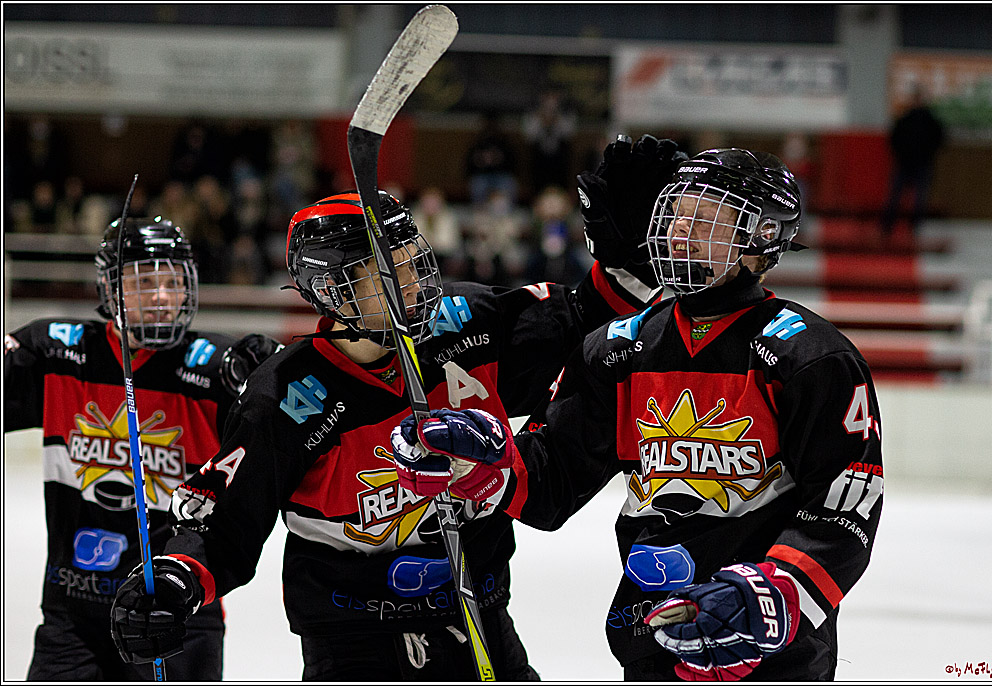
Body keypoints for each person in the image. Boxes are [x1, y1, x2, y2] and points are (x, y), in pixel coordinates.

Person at [108, 133, 686, 681]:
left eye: (413, 260)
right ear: (332, 288)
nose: (415, 281)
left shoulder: (465, 324)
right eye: (391, 270)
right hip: (353, 644)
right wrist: (175, 578)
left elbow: (582, 325)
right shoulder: (286, 396)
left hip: (476, 621)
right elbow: (222, 523)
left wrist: (627, 263)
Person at [391, 149, 884, 681]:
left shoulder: (811, 356)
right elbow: (554, 477)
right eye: (677, 214)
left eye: (706, 219)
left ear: (761, 239)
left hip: (765, 647)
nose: (680, 232)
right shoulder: (618, 348)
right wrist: (484, 462)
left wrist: (774, 593)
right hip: (652, 632)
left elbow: (845, 507)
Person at [4, 217, 283, 680]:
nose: (161, 296)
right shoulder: (56, 354)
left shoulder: (216, 370)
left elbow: (283, 443)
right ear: (110, 288)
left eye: (173, 282)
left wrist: (274, 373)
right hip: (73, 613)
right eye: (145, 281)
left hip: (176, 612)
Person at [880, 86, 945, 241]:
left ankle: (914, 228)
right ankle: (886, 227)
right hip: (904, 164)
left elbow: (939, 139)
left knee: (919, 199)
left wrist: (928, 154)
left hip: (923, 164)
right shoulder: (905, 119)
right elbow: (894, 139)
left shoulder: (931, 121)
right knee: (895, 196)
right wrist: (901, 155)